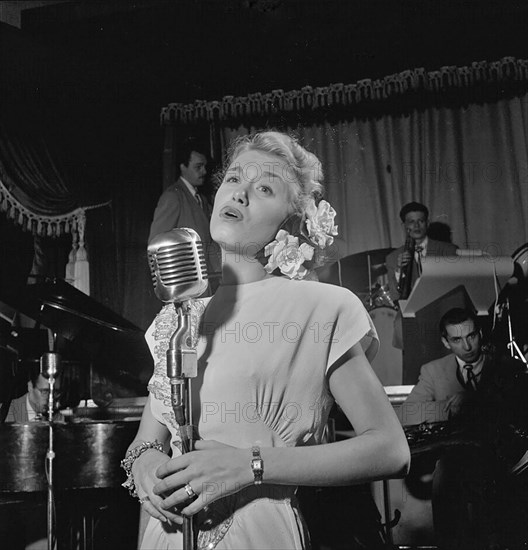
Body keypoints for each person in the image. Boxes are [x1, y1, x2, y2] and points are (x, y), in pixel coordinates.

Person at [124, 131, 410, 549]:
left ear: (291, 223)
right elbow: (147, 439)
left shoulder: (320, 308)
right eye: (234, 178)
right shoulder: (177, 315)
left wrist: (249, 466)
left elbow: (390, 450)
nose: (239, 194)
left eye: (263, 188)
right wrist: (146, 463)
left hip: (256, 534)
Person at [148, 137, 221, 289]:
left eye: (204, 166)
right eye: (198, 167)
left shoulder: (201, 199)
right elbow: (156, 245)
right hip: (186, 287)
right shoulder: (173, 197)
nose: (204, 171)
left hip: (208, 284)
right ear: (183, 167)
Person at [385, 202, 458, 348]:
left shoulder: (449, 250)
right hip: (412, 311)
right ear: (404, 226)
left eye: (421, 221)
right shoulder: (393, 258)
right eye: (411, 222)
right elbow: (396, 296)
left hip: (442, 307)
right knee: (401, 326)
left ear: (427, 223)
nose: (416, 226)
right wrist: (400, 270)